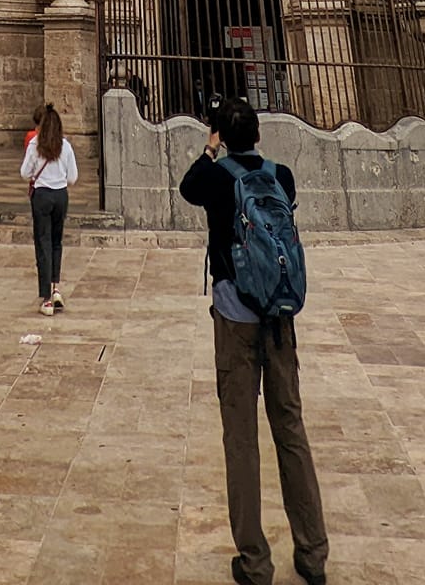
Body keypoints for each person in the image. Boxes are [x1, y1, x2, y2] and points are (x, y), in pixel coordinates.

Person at [179, 100, 328, 585]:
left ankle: (255, 562)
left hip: (235, 318)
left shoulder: (217, 179)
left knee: (241, 438)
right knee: (291, 429)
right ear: (259, 134)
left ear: (221, 133)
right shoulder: (281, 176)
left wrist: (209, 148)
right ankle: (313, 553)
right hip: (281, 318)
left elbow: (188, 187)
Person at [20, 103, 78, 314]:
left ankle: (45, 298)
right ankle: (55, 288)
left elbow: (25, 173)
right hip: (61, 195)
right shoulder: (66, 146)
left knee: (42, 243)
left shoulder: (35, 144)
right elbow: (73, 177)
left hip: (42, 196)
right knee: (56, 242)